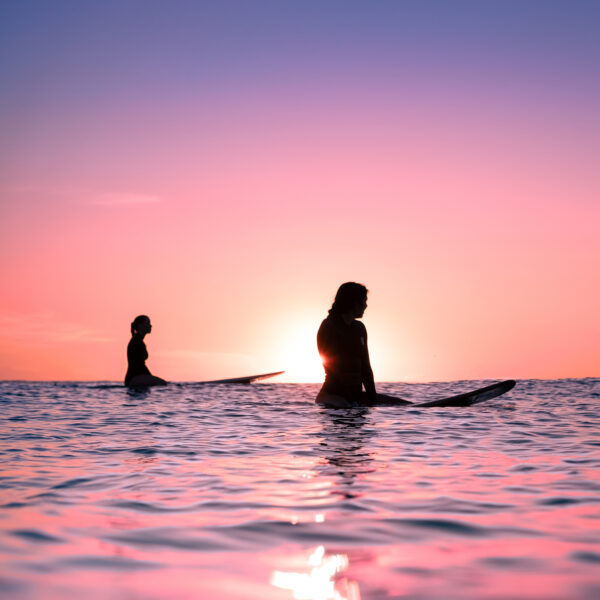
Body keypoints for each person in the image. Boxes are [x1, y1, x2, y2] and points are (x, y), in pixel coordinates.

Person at [316, 283, 410, 408]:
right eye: (364, 301)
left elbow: (366, 367)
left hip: (356, 396)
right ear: (353, 302)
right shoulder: (329, 327)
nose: (366, 305)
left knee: (405, 405)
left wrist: (373, 400)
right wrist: (353, 402)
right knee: (348, 407)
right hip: (332, 395)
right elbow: (333, 368)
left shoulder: (359, 328)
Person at [124, 315, 167, 387]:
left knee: (162, 384)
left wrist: (149, 376)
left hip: (136, 376)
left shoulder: (138, 340)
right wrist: (148, 376)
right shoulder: (136, 341)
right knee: (163, 384)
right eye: (147, 323)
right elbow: (137, 365)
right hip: (135, 377)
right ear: (140, 326)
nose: (150, 326)